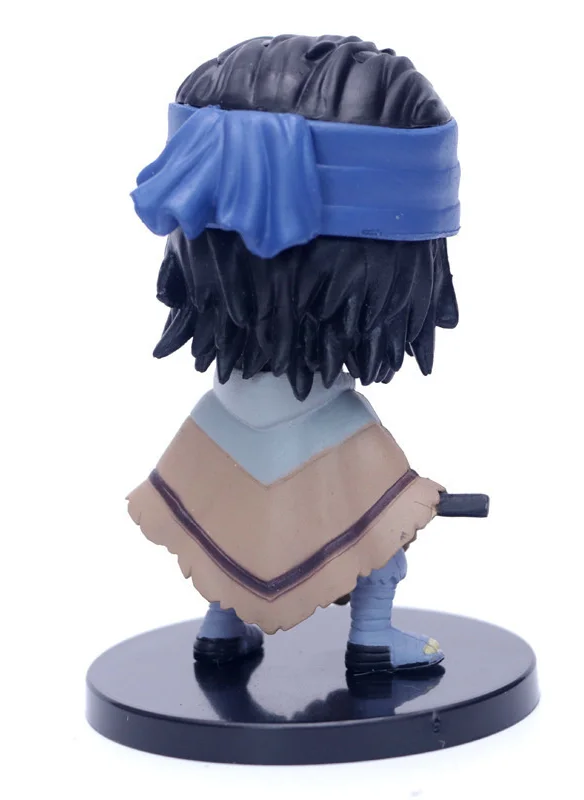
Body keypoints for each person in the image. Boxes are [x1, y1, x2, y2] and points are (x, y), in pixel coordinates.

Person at [127, 34, 462, 674]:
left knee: (222, 530)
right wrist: (409, 496)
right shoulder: (337, 417)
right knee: (381, 548)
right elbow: (383, 500)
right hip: (315, 431)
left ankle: (222, 629)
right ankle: (371, 638)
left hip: (221, 424)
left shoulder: (227, 386)